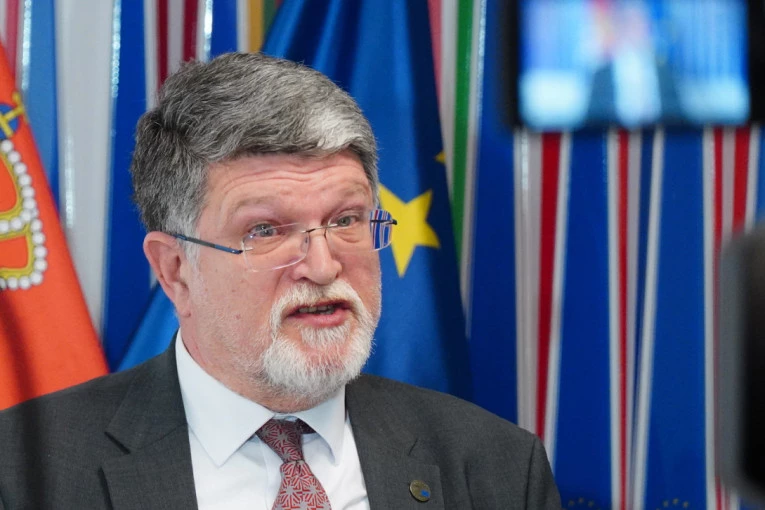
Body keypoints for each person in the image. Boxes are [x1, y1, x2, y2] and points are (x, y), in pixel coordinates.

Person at [0, 52, 560, 509]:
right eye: (265, 230)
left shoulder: (496, 467)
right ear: (175, 270)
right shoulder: (24, 472)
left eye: (346, 220)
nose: (323, 266)